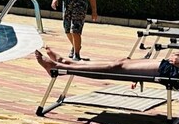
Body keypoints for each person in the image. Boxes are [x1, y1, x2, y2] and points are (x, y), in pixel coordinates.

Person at [35, 46, 179, 78]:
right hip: (172, 66)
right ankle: (67, 62)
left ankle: (58, 67)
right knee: (121, 61)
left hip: (174, 71)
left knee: (117, 67)